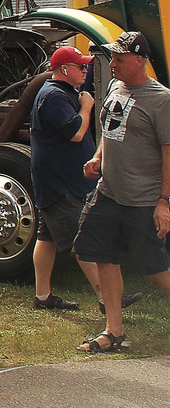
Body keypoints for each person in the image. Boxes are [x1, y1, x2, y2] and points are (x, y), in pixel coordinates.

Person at [74, 31, 170, 352]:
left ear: (139, 61)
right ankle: (113, 332)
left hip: (142, 201)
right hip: (108, 193)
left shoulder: (161, 100)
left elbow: (169, 154)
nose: (112, 63)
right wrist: (98, 157)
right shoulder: (116, 86)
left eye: (119, 58)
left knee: (155, 271)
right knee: (102, 256)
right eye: (112, 57)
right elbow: (110, 129)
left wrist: (163, 202)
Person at [29, 46, 104, 310]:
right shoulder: (54, 97)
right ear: (64, 70)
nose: (85, 70)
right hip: (60, 184)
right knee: (83, 239)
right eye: (80, 66)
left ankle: (42, 296)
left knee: (46, 237)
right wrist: (86, 107)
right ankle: (107, 298)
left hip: (57, 180)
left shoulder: (61, 92)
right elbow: (75, 133)